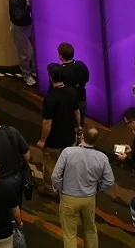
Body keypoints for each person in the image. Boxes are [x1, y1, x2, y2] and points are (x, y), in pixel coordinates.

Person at [52, 126, 115, 248]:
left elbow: (55, 176)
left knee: (70, 234)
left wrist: (59, 189)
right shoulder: (102, 157)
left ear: (81, 136)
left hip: (69, 198)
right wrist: (97, 188)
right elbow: (109, 180)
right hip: (89, 198)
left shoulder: (67, 152)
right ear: (96, 140)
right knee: (90, 230)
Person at [37, 64, 81, 198]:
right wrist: (78, 126)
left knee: (50, 165)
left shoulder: (50, 98)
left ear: (51, 78)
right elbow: (77, 112)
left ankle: (50, 190)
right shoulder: (72, 92)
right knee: (67, 163)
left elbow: (47, 122)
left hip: (54, 140)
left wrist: (42, 140)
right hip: (69, 136)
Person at [53, 43, 90, 126]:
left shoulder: (60, 71)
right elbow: (86, 79)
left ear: (60, 56)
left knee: (68, 126)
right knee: (80, 124)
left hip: (68, 104)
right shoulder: (81, 65)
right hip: (81, 100)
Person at [9, 0, 36, 86]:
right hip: (20, 28)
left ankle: (34, 69)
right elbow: (18, 18)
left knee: (38, 48)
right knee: (23, 54)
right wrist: (28, 6)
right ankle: (26, 75)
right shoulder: (14, 0)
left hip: (31, 25)